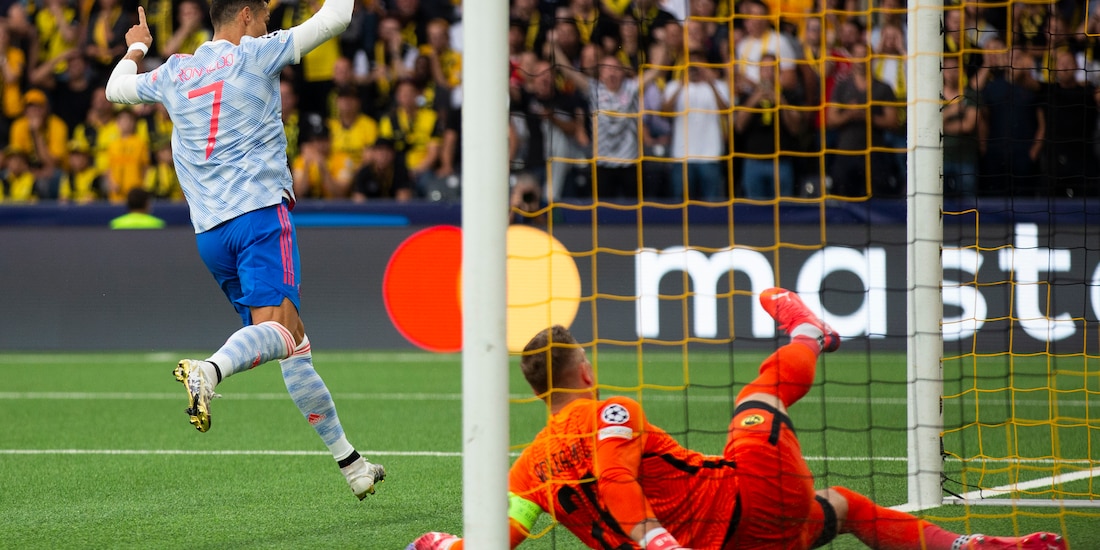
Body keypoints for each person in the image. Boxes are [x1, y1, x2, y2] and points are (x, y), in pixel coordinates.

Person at [407, 288, 1068, 550]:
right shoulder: (612, 409)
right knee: (756, 404)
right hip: (744, 506)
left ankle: (984, 549)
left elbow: (504, 540)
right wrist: (654, 540)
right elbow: (613, 477)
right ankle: (809, 331)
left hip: (734, 547)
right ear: (583, 372)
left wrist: (442, 547)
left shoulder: (527, 469)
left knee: (844, 507)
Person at [104, 0, 385, 500]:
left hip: (210, 234)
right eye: (265, 13)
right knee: (276, 330)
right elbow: (338, 18)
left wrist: (137, 47)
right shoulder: (257, 53)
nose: (270, 21)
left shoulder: (176, 70)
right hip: (257, 215)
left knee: (293, 343)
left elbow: (115, 90)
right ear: (248, 16)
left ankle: (352, 463)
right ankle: (207, 371)